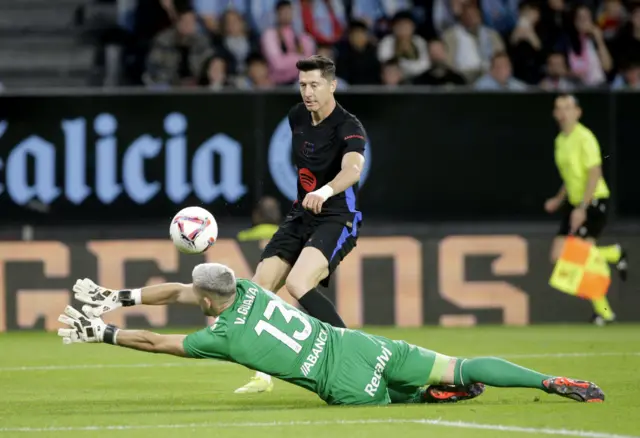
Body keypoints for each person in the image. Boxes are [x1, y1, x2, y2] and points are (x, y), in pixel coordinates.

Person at [64, 263, 606, 405]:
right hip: (358, 343)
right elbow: (184, 288)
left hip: (342, 381)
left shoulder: (221, 337)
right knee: (459, 366)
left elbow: (158, 340)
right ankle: (550, 381)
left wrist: (103, 332)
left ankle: (419, 397)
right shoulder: (250, 286)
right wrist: (122, 296)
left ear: (208, 303)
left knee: (402, 398)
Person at [245, 55, 367, 393]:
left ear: (332, 85)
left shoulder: (349, 126)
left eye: (315, 84)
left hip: (338, 215)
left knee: (298, 283)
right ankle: (262, 375)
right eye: (302, 85)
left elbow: (353, 170)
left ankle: (356, 356)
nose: (308, 92)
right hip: (301, 214)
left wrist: (325, 191)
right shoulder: (296, 116)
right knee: (256, 291)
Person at [544, 94, 628, 326]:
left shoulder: (584, 137)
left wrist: (582, 207)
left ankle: (605, 313)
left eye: (567, 108)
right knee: (559, 255)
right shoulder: (561, 140)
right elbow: (569, 177)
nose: (562, 113)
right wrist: (558, 199)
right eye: (558, 108)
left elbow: (594, 173)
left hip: (593, 200)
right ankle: (613, 253)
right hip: (574, 202)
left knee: (581, 257)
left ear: (577, 112)